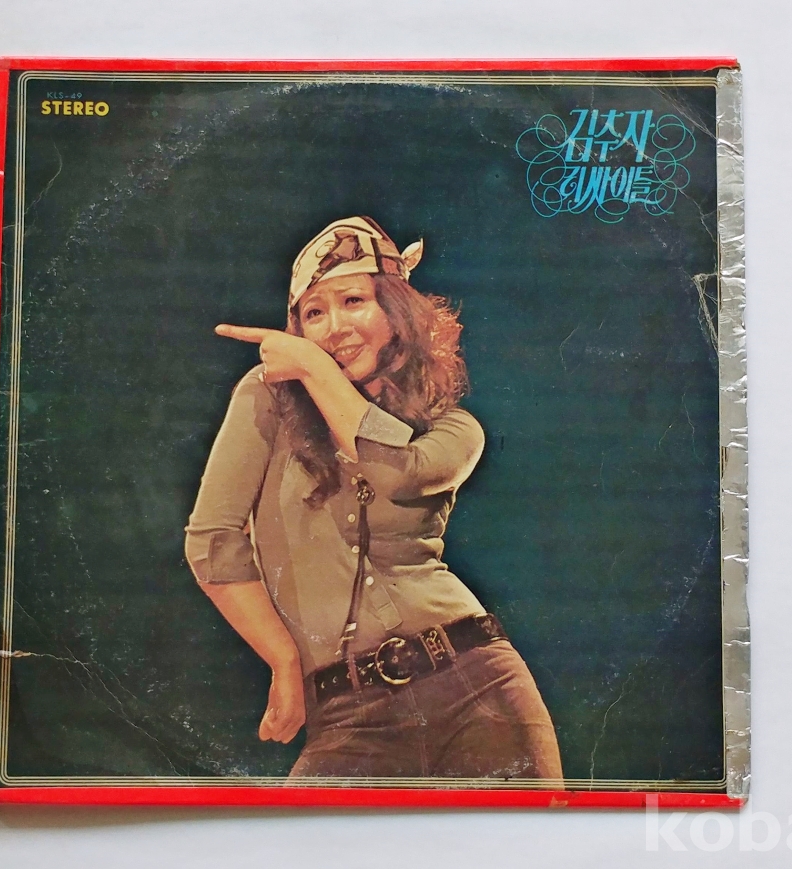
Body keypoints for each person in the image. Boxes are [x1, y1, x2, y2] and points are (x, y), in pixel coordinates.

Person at [185, 216, 562, 780]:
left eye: (354, 301)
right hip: (345, 714)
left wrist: (315, 367)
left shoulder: (453, 428)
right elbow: (212, 543)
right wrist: (283, 659)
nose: (335, 327)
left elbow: (395, 475)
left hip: (478, 689)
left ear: (396, 311)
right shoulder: (266, 402)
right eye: (314, 313)